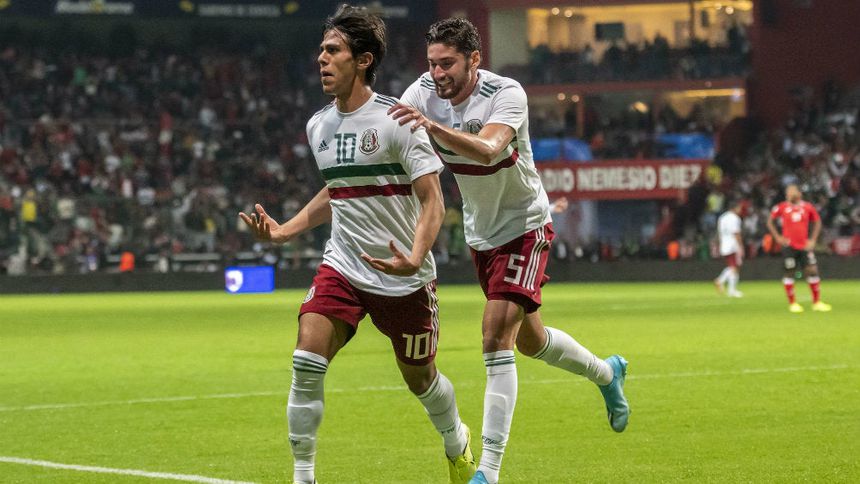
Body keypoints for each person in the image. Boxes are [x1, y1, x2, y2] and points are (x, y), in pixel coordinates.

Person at [239, 6, 476, 483]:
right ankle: (303, 476)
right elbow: (338, 189)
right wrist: (285, 230)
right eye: (321, 50)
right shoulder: (318, 126)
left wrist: (415, 256)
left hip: (403, 277)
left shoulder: (398, 120)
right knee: (306, 361)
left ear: (363, 60)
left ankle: (457, 442)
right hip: (343, 267)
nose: (321, 59)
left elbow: (433, 199)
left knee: (421, 380)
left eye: (333, 51)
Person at [390, 18, 629, 484]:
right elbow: (391, 128)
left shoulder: (506, 93)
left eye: (447, 64)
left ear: (474, 60)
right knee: (530, 341)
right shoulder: (422, 92)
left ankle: (489, 472)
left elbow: (487, 148)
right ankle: (607, 373)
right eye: (432, 63)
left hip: (524, 226)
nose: (437, 74)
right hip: (482, 235)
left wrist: (431, 126)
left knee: (494, 337)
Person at [766, 184, 832, 313]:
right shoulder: (782, 207)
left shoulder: (807, 207)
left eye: (791, 192)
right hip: (789, 246)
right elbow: (770, 221)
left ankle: (816, 302)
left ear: (799, 193)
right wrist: (778, 237)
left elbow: (817, 222)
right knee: (790, 272)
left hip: (804, 246)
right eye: (787, 192)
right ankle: (792, 303)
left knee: (812, 270)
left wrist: (813, 239)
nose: (789, 194)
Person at [714, 199, 745, 298]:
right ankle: (722, 282)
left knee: (733, 266)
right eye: (739, 207)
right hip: (733, 245)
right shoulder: (735, 218)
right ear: (735, 208)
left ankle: (730, 289)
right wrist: (741, 246)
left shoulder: (722, 217)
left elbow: (719, 232)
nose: (740, 210)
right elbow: (736, 233)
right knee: (734, 267)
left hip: (724, 244)